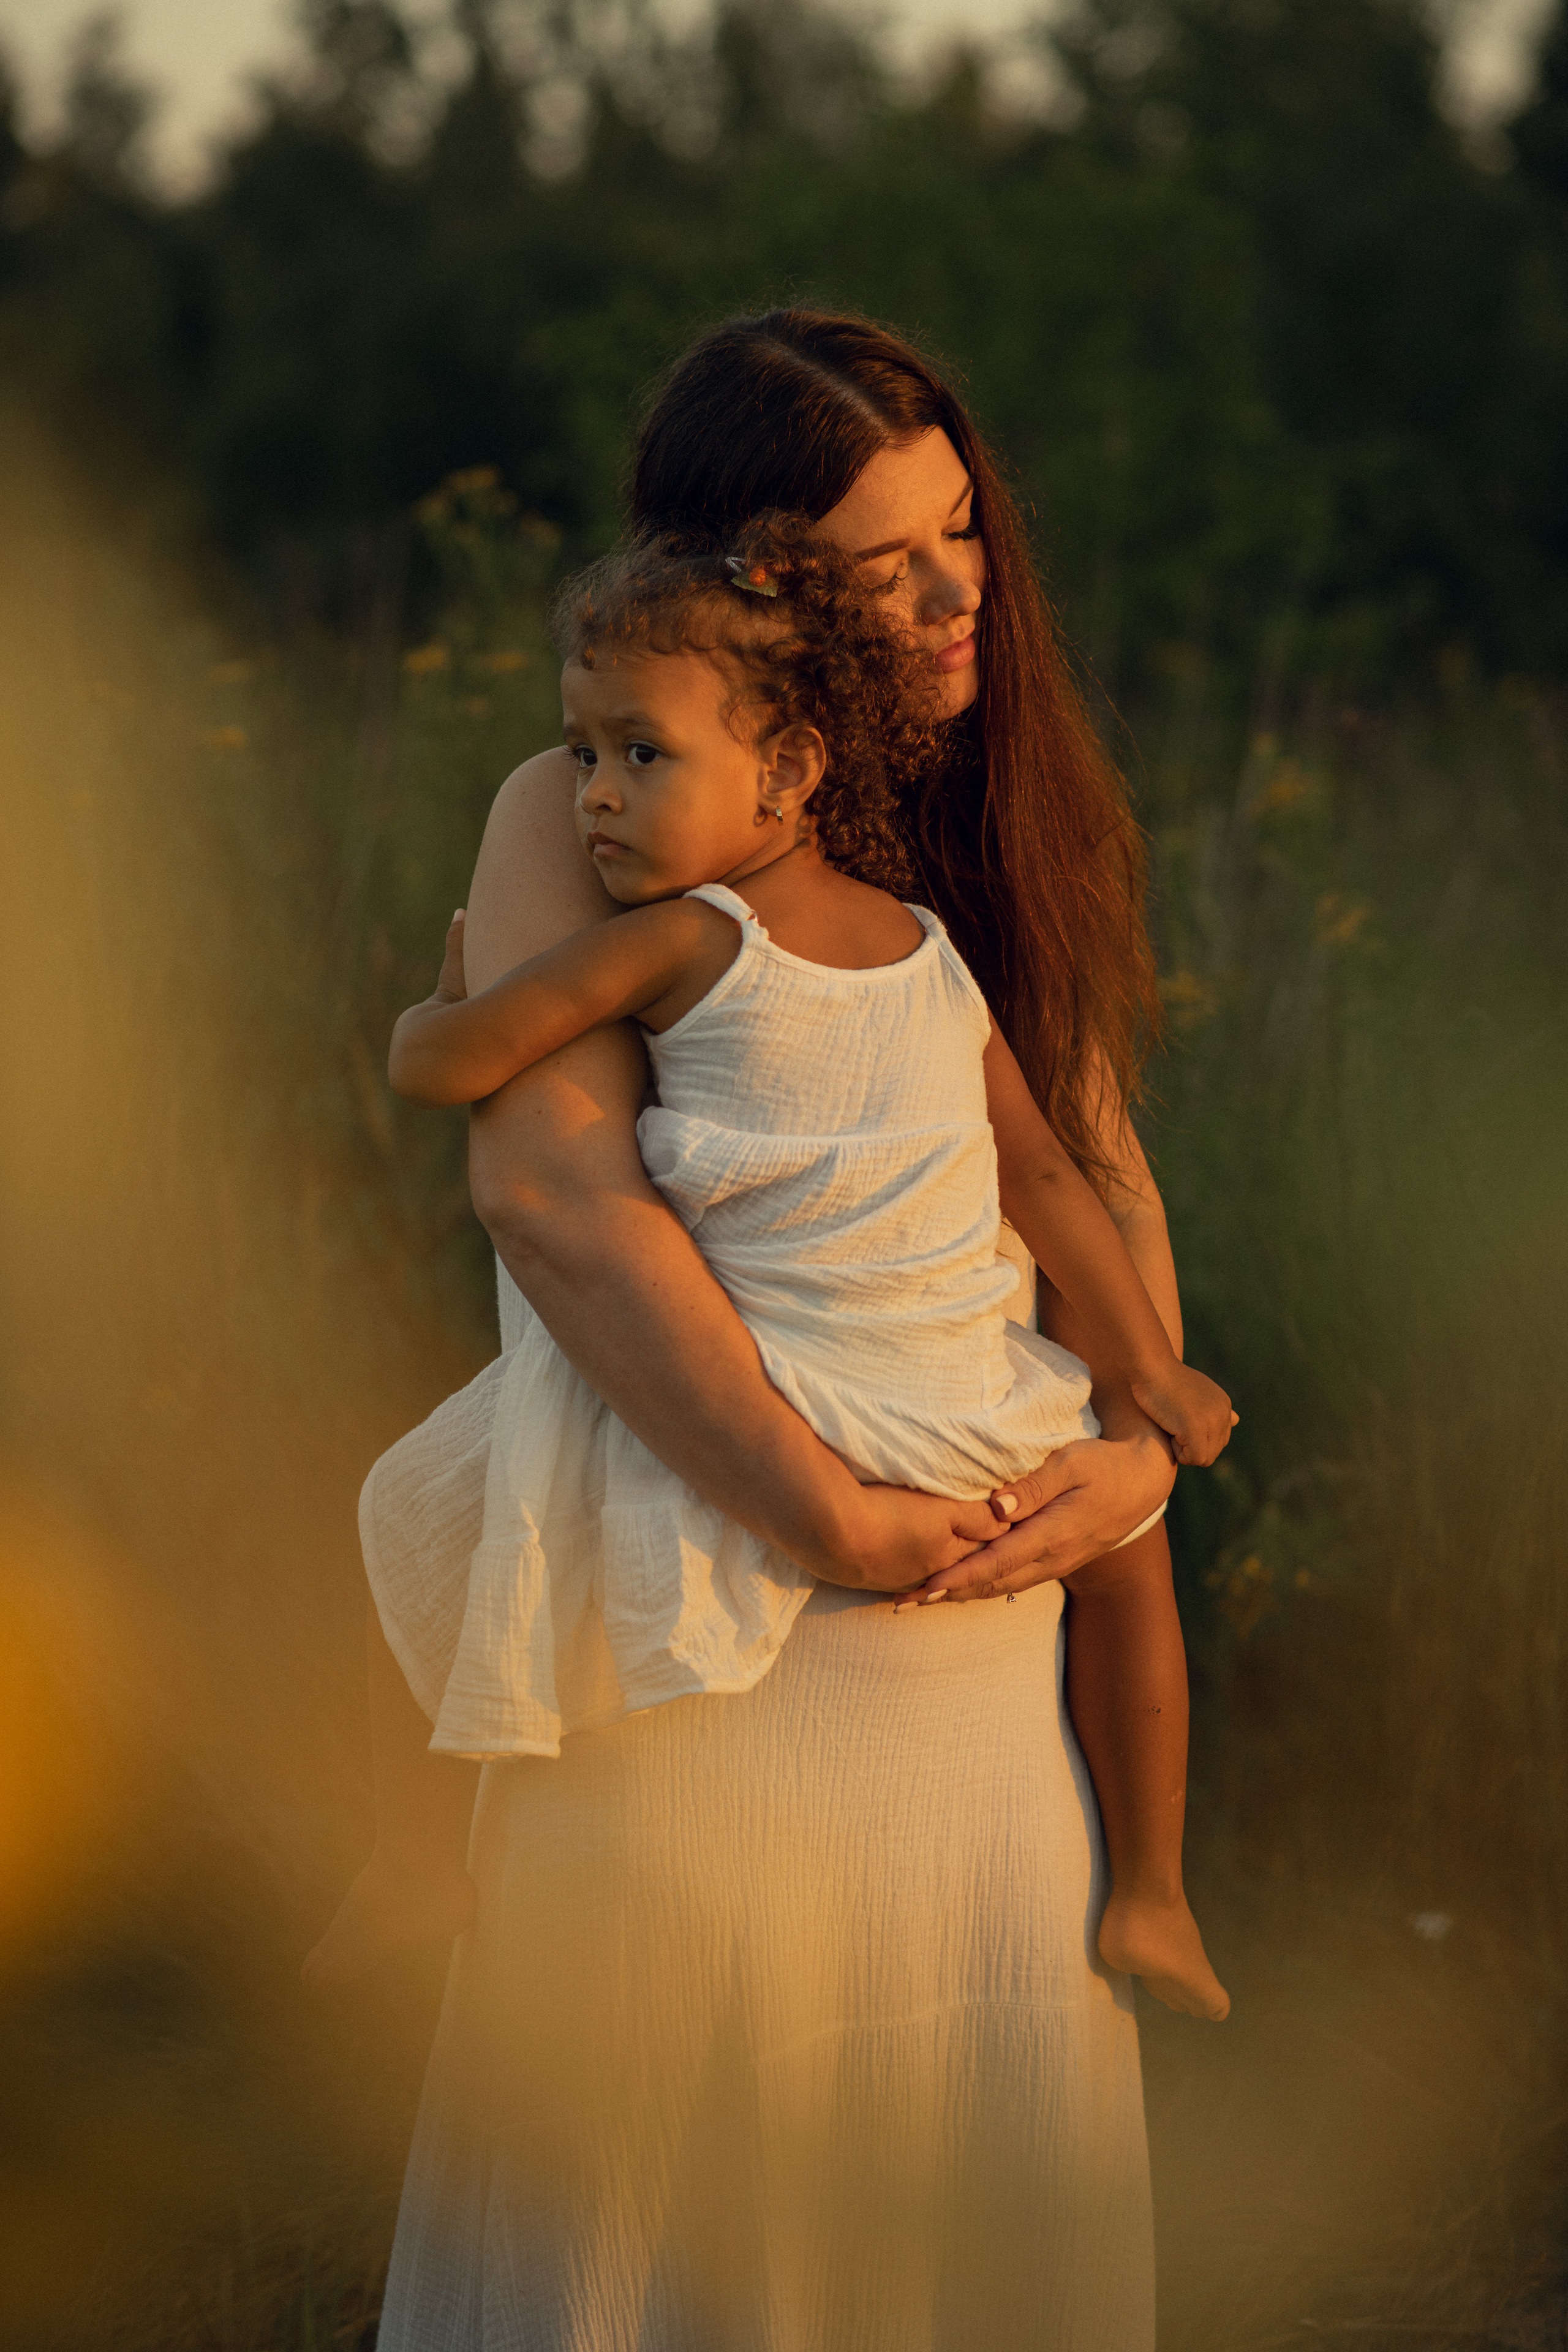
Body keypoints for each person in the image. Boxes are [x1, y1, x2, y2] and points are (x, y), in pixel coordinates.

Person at [318, 310, 1207, 2350]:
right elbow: (552, 1196)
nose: (960, 591)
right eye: (888, 562)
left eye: (964, 529)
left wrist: (1139, 1456)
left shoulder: (994, 822)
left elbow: (1087, 1173)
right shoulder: (588, 812)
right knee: (659, 2222)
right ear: (748, 589)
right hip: (701, 1647)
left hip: (977, 1674)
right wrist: (831, 1519)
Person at [381, 514, 1233, 2028]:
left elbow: (456, 1067)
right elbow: (1045, 1180)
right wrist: (1143, 1372)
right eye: (581, 756)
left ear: (787, 768)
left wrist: (429, 1012)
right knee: (1127, 1556)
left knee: (504, 1478)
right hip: (944, 1406)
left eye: (639, 755)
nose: (592, 797)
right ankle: (1154, 1892)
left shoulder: (689, 944)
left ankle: (417, 1848)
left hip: (825, 1389)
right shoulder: (908, 948)